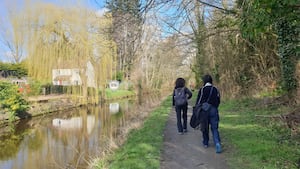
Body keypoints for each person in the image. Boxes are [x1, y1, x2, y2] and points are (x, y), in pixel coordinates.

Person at [195, 74, 222, 153]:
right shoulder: (215, 89)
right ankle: (217, 143)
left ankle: (206, 142)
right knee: (214, 128)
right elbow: (218, 100)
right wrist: (215, 106)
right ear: (211, 81)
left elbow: (199, 101)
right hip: (214, 110)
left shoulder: (202, 90)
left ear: (204, 81)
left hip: (204, 111)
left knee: (205, 127)